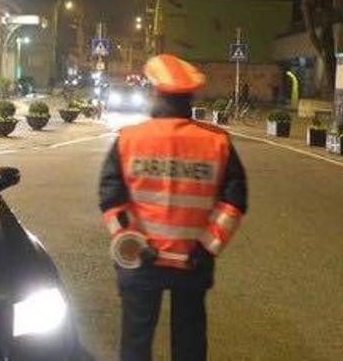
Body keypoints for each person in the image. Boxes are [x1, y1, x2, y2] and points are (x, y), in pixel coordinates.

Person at [98, 54, 248, 361]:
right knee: (189, 342)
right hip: (192, 261)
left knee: (136, 343)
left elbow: (111, 198)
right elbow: (234, 201)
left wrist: (129, 241)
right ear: (190, 99)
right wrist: (207, 246)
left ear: (155, 94)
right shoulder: (216, 143)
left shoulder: (130, 139)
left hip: (141, 260)